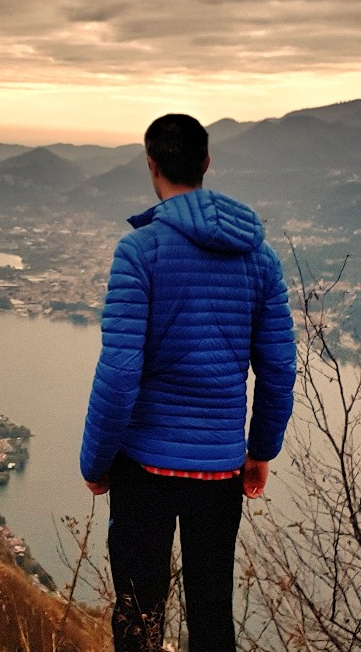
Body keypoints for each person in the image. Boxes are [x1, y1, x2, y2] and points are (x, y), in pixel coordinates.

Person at [80, 113, 296, 652]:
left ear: (150, 165)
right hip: (220, 470)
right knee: (211, 613)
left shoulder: (139, 252)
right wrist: (260, 448)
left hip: (143, 469)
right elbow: (279, 367)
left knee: (137, 615)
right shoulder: (259, 259)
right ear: (206, 163)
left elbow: (120, 370)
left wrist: (96, 461)